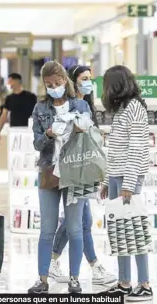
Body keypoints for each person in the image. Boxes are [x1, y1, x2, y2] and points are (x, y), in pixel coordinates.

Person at [28, 61, 91, 294]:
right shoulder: (40, 108)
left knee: (75, 228)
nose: (54, 87)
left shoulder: (80, 105)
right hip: (48, 170)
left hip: (76, 172)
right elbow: (36, 143)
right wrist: (47, 134)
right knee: (47, 228)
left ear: (65, 80)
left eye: (58, 82)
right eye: (49, 84)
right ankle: (42, 279)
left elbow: (90, 136)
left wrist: (79, 128)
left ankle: (75, 279)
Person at [49, 65, 116, 285]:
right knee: (82, 221)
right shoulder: (68, 106)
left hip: (84, 167)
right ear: (73, 81)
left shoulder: (86, 105)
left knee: (77, 221)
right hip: (71, 168)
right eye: (84, 78)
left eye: (90, 79)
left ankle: (53, 260)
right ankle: (95, 266)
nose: (89, 82)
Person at [100, 66, 153, 301]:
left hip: (127, 179)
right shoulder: (122, 109)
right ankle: (124, 282)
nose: (105, 90)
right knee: (119, 231)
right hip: (116, 176)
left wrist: (129, 184)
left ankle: (144, 284)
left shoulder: (135, 109)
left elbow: (137, 149)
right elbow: (115, 150)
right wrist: (106, 180)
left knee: (134, 230)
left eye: (107, 85)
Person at [0, 73, 37, 145]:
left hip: (29, 130)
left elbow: (38, 113)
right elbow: (4, 116)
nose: (8, 83)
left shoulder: (31, 97)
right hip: (14, 130)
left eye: (10, 81)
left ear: (16, 81)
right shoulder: (9, 98)